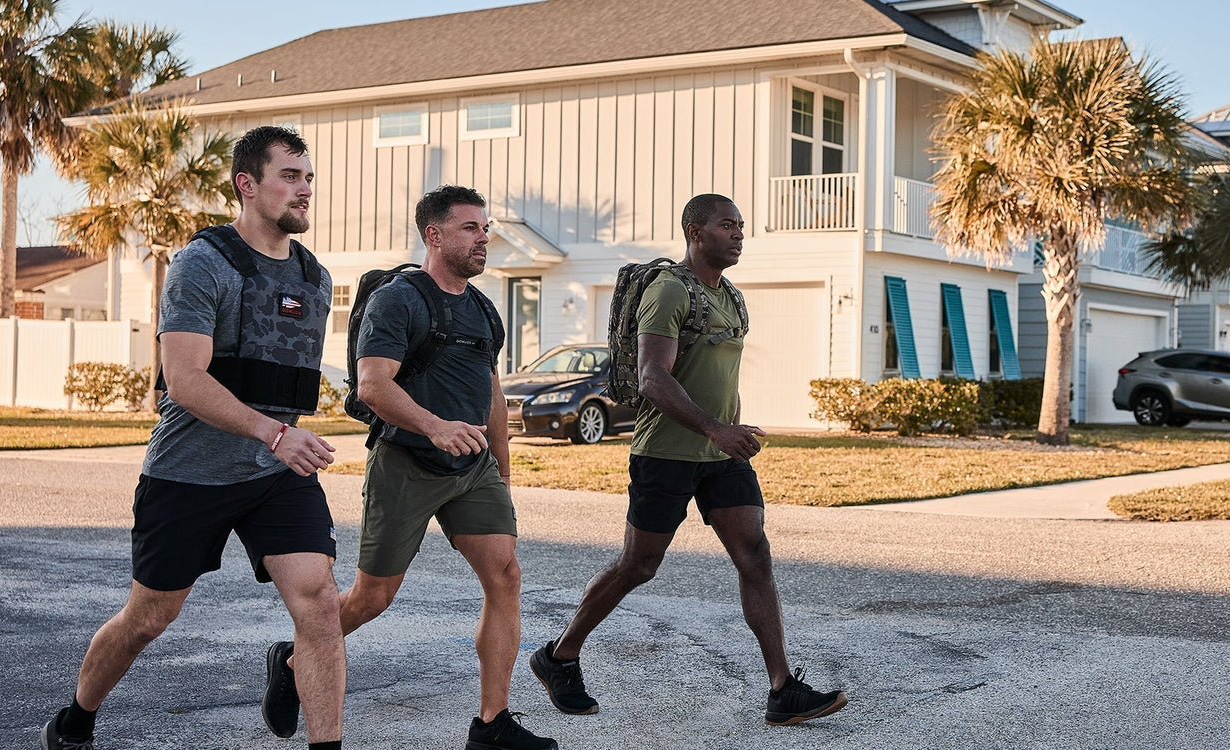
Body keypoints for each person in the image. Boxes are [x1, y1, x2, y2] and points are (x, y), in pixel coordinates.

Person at [42, 126, 345, 750]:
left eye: (308, 177)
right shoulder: (203, 263)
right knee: (150, 615)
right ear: (247, 184)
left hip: (274, 475)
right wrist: (272, 432)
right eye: (290, 176)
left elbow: (283, 382)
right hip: (190, 474)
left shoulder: (316, 280)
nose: (304, 189)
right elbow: (182, 379)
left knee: (319, 604)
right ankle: (76, 717)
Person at [528, 194, 847, 726]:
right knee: (639, 565)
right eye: (728, 225)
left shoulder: (732, 297)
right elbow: (653, 377)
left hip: (721, 455)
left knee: (755, 554)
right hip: (666, 453)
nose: (739, 234)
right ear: (695, 231)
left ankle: (782, 689)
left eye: (742, 226)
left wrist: (726, 433)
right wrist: (715, 428)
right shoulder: (669, 290)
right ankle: (559, 654)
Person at [260, 185, 556, 750]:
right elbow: (373, 384)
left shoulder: (483, 308)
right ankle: (295, 656)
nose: (483, 238)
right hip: (407, 463)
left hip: (471, 469)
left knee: (506, 575)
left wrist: (502, 465)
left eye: (485, 227)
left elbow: (489, 388)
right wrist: (435, 426)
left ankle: (491, 723)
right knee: (374, 597)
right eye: (470, 228)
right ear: (434, 235)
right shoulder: (398, 300)